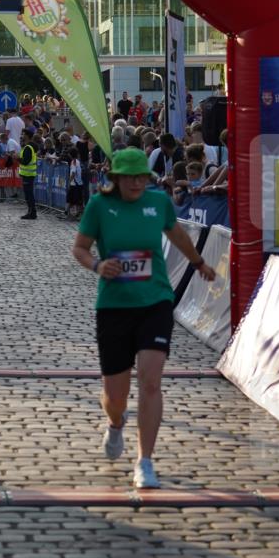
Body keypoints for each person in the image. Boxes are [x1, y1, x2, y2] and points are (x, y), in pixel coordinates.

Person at [72, 147, 216, 489]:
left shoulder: (159, 203)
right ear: (116, 178)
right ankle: (116, 422)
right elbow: (79, 247)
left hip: (155, 301)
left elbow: (177, 234)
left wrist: (198, 263)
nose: (137, 183)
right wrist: (97, 265)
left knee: (151, 382)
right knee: (115, 396)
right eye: (130, 177)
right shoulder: (99, 206)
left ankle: (145, 461)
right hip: (114, 306)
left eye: (142, 177)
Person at [19, 129, 38, 219]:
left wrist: (17, 158)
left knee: (29, 194)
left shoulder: (28, 148)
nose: (22, 135)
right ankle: (31, 212)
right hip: (28, 174)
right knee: (28, 194)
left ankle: (32, 213)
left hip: (28, 174)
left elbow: (25, 161)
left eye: (23, 134)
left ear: (27, 136)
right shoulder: (27, 146)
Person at [67, 147, 84, 218]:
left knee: (73, 199)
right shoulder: (77, 161)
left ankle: (72, 213)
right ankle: (70, 212)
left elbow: (73, 173)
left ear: (70, 155)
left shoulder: (73, 162)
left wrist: (69, 181)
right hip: (79, 183)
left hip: (75, 184)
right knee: (78, 200)